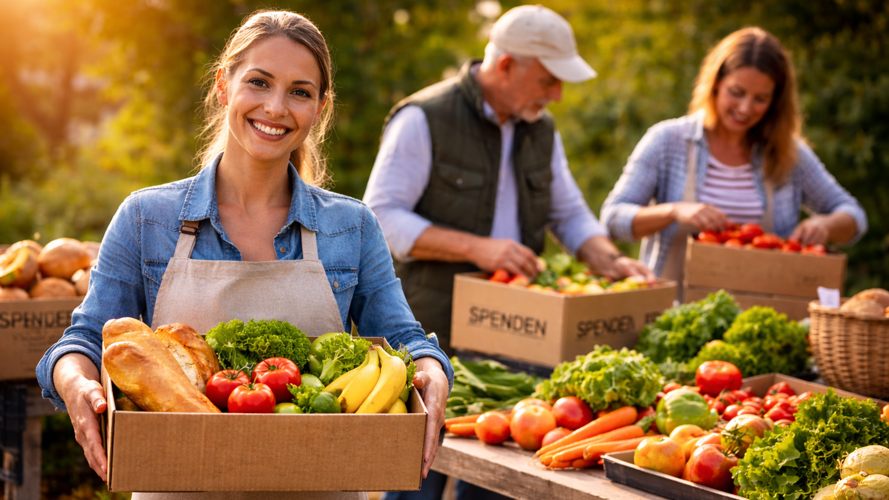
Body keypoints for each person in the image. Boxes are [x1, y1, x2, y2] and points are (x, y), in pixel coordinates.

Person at [35, 10, 452, 500]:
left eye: (300, 91)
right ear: (223, 85)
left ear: (319, 107)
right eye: (259, 82)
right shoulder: (147, 217)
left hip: (323, 488)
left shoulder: (352, 226)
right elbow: (83, 341)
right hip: (179, 487)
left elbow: (404, 340)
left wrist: (434, 372)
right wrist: (78, 385)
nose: (276, 107)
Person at [364, 5, 653, 500]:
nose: (557, 94)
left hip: (515, 338)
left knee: (497, 482)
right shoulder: (424, 119)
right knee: (415, 480)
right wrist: (480, 248)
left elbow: (569, 212)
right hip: (434, 332)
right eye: (547, 80)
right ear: (505, 66)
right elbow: (380, 219)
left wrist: (609, 259)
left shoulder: (541, 129)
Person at [600, 27, 866, 289]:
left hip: (762, 318)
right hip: (671, 315)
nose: (745, 108)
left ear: (776, 101)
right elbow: (612, 220)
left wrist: (826, 225)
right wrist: (674, 210)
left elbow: (854, 218)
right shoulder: (667, 141)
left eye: (760, 99)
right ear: (715, 84)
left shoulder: (789, 154)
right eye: (736, 92)